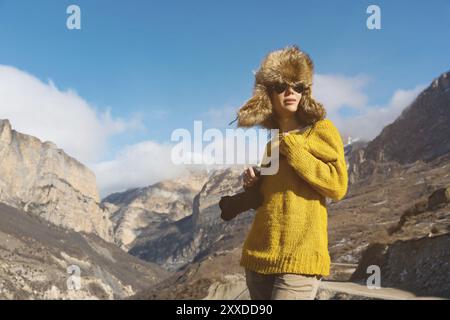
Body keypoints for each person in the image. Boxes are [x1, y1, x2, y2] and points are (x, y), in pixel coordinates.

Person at [234, 45, 348, 300]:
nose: (290, 92)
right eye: (281, 86)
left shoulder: (321, 130)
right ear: (267, 94)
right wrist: (253, 185)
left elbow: (338, 186)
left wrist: (293, 148)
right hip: (259, 258)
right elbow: (268, 200)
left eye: (298, 86)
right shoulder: (271, 143)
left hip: (300, 259)